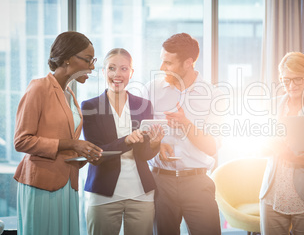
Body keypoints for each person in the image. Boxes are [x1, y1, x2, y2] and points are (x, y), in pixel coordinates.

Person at [13, 31, 103, 235]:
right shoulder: (39, 88)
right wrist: (72, 145)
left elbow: (65, 140)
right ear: (68, 59)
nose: (92, 67)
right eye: (88, 60)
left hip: (67, 184)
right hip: (42, 185)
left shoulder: (69, 94)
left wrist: (82, 155)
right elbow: (21, 141)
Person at [143, 33, 222, 235]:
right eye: (162, 61)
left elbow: (212, 147)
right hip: (161, 183)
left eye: (168, 63)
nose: (162, 68)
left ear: (188, 63)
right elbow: (139, 132)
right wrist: (156, 145)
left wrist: (186, 124)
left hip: (197, 183)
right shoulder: (152, 90)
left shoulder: (213, 96)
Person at [81, 48, 164, 235]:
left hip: (141, 194)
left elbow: (144, 154)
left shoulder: (143, 105)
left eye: (124, 69)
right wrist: (126, 140)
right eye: (112, 68)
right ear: (103, 72)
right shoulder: (90, 106)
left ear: (131, 73)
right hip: (103, 194)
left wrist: (154, 144)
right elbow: (96, 154)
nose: (117, 74)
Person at [259, 52, 304, 235]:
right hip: (273, 193)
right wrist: (268, 145)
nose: (291, 85)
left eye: (297, 79)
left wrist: (295, 159)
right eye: (286, 80)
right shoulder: (271, 105)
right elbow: (260, 146)